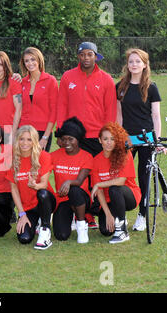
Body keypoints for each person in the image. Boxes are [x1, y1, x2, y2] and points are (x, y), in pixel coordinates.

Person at [57, 41, 117, 228]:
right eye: (82, 54)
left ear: (96, 56)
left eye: (89, 54)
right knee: (79, 176)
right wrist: (61, 132)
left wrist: (107, 136)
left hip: (97, 136)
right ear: (78, 56)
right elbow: (62, 106)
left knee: (97, 176)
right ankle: (84, 216)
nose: (86, 58)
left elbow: (110, 109)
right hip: (75, 137)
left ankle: (100, 211)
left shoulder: (106, 79)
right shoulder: (68, 76)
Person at [116, 48, 162, 232]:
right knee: (121, 177)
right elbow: (119, 116)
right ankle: (121, 215)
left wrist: (156, 141)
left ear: (144, 64)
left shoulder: (151, 87)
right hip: (127, 140)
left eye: (137, 61)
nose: (134, 64)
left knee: (144, 179)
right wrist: (119, 138)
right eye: (131, 61)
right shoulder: (120, 86)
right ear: (127, 65)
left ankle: (142, 215)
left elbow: (156, 116)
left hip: (146, 140)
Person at [6, 125, 56, 250]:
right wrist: (22, 214)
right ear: (17, 140)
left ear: (34, 141)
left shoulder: (43, 156)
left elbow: (44, 184)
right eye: (22, 139)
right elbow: (14, 189)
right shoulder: (12, 159)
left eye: (29, 139)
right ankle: (37, 221)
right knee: (24, 239)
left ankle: (45, 229)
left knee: (42, 193)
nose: (25, 143)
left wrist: (35, 186)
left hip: (45, 201)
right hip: (28, 207)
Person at [91, 122, 141, 244]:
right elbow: (100, 192)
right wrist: (108, 214)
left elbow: (121, 181)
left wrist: (99, 184)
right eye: (105, 139)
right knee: (105, 231)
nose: (109, 142)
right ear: (100, 140)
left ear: (117, 140)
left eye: (112, 139)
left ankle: (122, 231)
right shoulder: (96, 161)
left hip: (129, 195)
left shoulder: (124, 153)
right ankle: (119, 217)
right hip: (110, 201)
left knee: (114, 188)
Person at [51, 117, 93, 243]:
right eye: (64, 139)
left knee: (74, 190)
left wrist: (68, 182)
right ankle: (69, 217)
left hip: (81, 198)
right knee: (61, 235)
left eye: (71, 139)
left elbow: (79, 181)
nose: (67, 142)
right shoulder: (54, 155)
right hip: (63, 199)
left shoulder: (87, 156)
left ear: (78, 139)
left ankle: (81, 225)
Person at [18, 47, 58, 151]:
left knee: (41, 165)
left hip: (42, 132)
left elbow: (54, 111)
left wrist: (45, 137)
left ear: (39, 60)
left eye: (33, 59)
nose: (30, 63)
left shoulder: (50, 80)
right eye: (26, 61)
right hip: (23, 131)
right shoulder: (22, 82)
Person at [0, 51, 22, 138]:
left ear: (6, 66)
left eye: (0, 64)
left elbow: (19, 109)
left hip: (8, 132)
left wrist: (13, 133)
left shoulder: (14, 82)